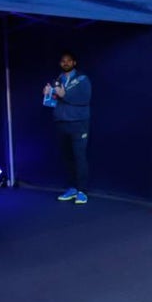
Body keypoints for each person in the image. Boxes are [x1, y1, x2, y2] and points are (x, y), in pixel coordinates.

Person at [45, 53, 91, 203]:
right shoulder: (57, 80)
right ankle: (72, 188)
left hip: (78, 123)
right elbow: (51, 103)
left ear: (74, 62)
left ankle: (82, 191)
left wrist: (64, 95)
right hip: (61, 123)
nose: (65, 63)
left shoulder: (82, 79)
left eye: (68, 61)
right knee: (67, 158)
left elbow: (85, 99)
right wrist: (48, 95)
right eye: (63, 61)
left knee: (79, 157)